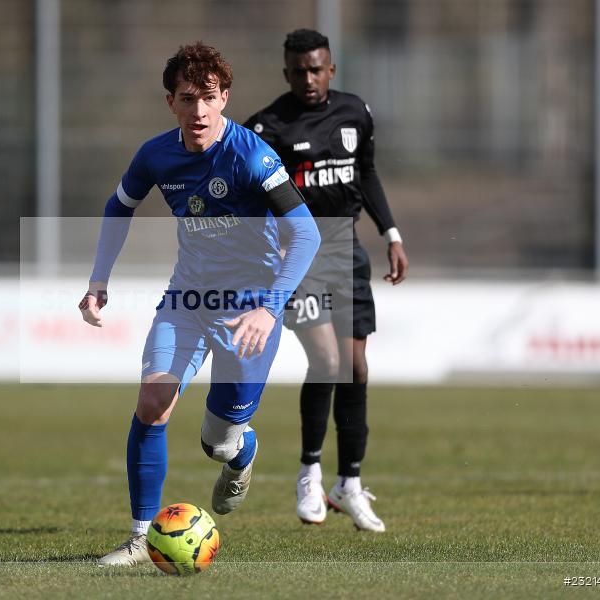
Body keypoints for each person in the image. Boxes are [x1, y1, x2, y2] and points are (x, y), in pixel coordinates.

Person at [79, 42, 320, 565]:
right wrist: (99, 279)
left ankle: (240, 454)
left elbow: (306, 235)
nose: (199, 112)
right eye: (187, 99)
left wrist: (269, 307)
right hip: (186, 301)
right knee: (152, 404)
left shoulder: (252, 155)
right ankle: (142, 537)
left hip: (250, 312)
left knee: (220, 440)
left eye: (209, 98)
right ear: (171, 102)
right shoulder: (155, 155)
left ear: (225, 97)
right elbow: (118, 207)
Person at [245, 29, 409, 532]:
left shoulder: (355, 112)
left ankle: (350, 484)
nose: (308, 79)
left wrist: (392, 234)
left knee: (356, 367)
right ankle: (309, 472)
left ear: (331, 68)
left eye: (316, 69)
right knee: (327, 360)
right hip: (298, 257)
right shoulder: (266, 127)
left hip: (346, 251)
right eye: (298, 70)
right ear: (287, 73)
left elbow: (368, 173)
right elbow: (253, 201)